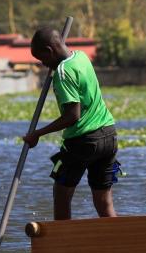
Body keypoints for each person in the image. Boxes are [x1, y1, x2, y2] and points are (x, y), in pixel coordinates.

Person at [23, 27, 120, 220]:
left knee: (61, 195)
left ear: (50, 51)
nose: (43, 65)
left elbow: (72, 116)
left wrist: (38, 134)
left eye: (42, 59)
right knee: (103, 201)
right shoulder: (81, 57)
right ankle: (120, 244)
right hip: (109, 135)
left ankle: (62, 244)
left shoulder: (63, 73)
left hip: (83, 141)